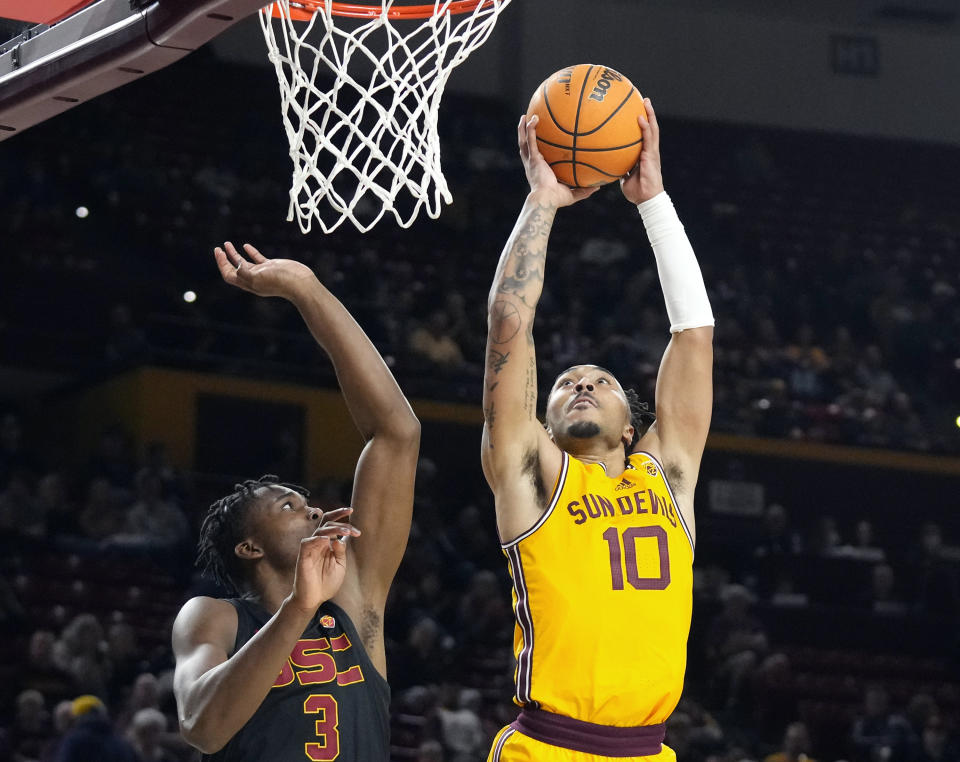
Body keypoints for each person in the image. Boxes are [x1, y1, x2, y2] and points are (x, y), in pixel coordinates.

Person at [481, 102, 713, 761]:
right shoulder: (534, 473)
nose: (580, 383)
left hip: (650, 752)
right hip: (548, 748)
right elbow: (508, 323)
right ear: (545, 424)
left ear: (632, 425)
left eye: (600, 380)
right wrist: (543, 203)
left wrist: (655, 204)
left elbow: (693, 338)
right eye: (564, 383)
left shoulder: (665, 472)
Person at [172, 242, 420, 760]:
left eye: (306, 502)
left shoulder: (354, 597)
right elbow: (202, 727)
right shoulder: (213, 618)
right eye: (287, 506)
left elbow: (396, 431)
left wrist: (307, 290)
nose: (311, 509)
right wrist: (297, 606)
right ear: (249, 547)